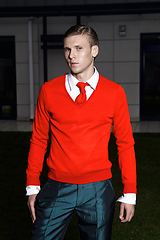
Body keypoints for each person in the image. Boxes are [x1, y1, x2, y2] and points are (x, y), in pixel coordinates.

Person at [26, 25, 137, 240]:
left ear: (94, 50)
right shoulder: (49, 90)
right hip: (56, 186)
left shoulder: (115, 93)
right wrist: (32, 186)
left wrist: (130, 192)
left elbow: (125, 143)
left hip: (98, 189)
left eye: (78, 48)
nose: (71, 56)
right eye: (67, 49)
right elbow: (39, 139)